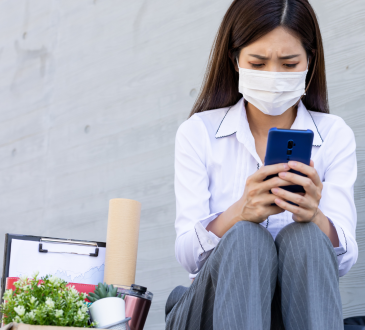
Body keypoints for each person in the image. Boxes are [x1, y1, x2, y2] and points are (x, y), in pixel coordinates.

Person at [165, 0, 358, 329]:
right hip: (208, 311)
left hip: (292, 310)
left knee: (308, 237)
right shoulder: (198, 132)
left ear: (310, 61)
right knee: (246, 238)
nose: (273, 76)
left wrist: (316, 217)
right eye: (258, 62)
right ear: (236, 60)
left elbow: (345, 259)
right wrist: (239, 212)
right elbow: (187, 255)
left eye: (288, 63)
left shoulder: (334, 134)